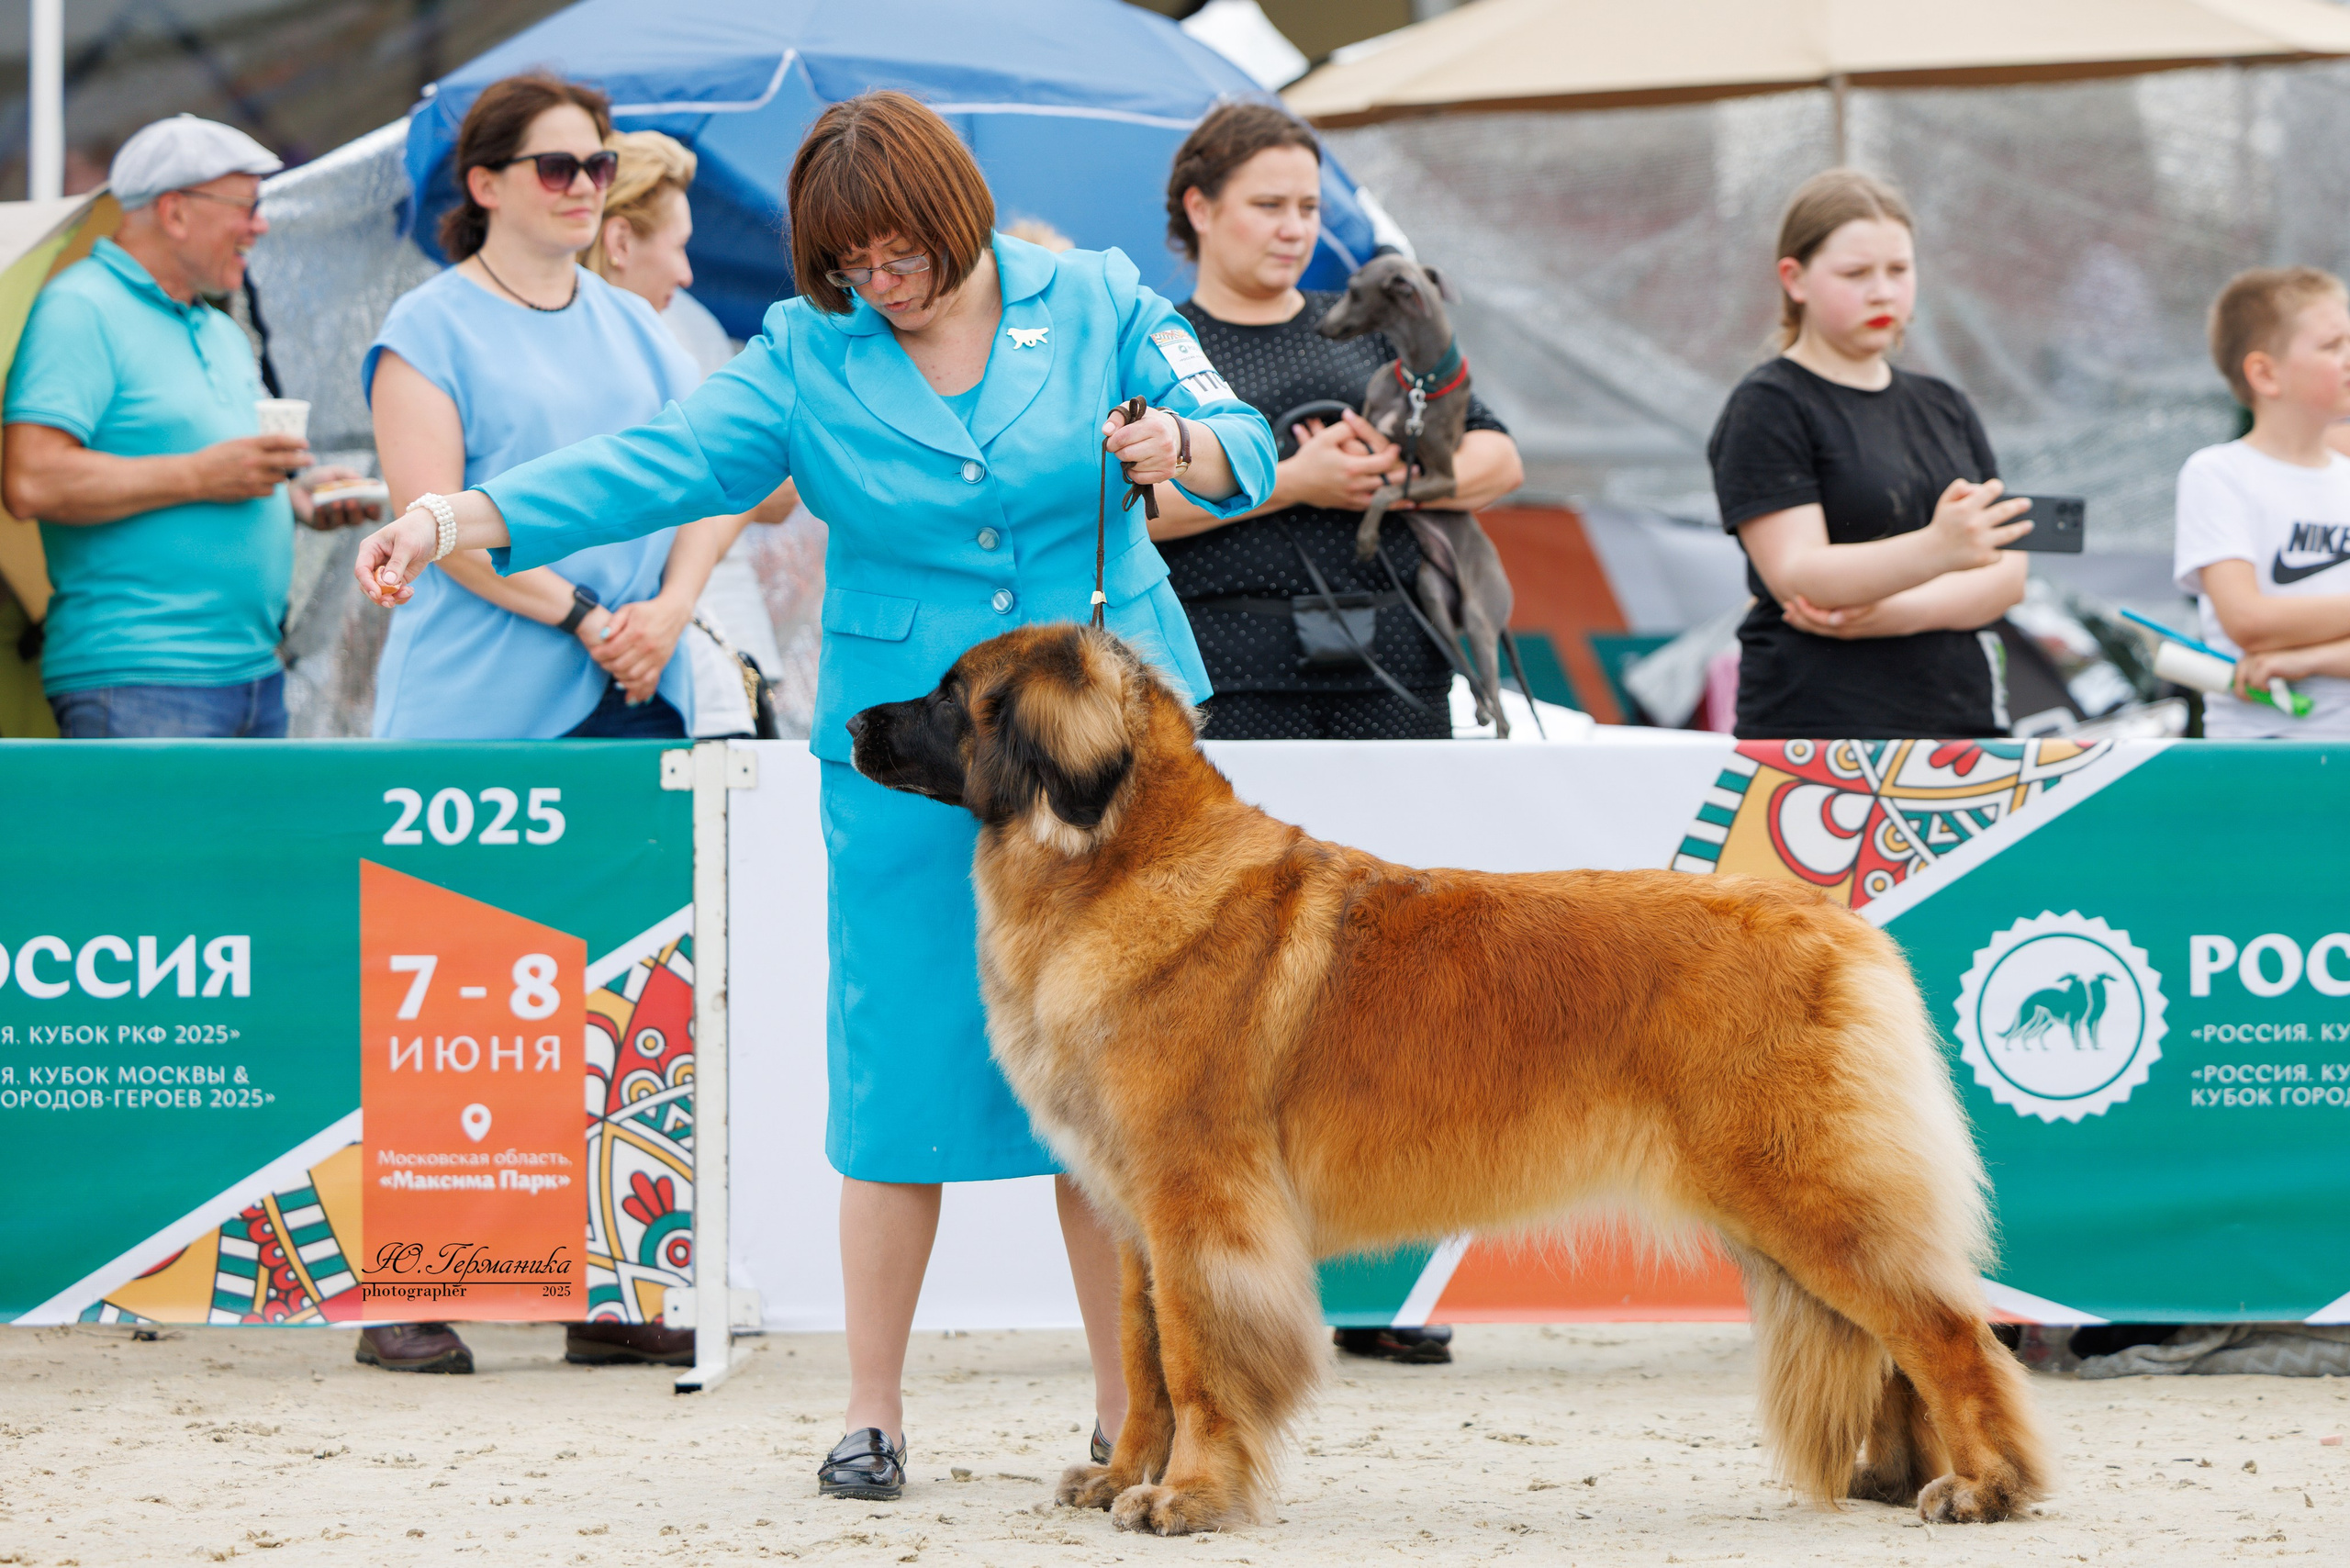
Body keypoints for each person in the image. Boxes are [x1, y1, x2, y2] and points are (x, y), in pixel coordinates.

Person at [348, 91, 1275, 1497]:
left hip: (1105, 758)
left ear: (956, 213)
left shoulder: (1094, 298)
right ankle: (872, 1411)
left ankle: (1125, 1413)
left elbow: (1236, 434)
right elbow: (648, 467)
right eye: (848, 264)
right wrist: (452, 515)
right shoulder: (804, 353)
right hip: (913, 758)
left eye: (899, 252)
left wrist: (1180, 452)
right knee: (893, 1068)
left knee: (1121, 1094)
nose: (877, 284)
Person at [358, 73, 771, 1374]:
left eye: (598, 164)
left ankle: (609, 1280)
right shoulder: (425, 329)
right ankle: (412, 1287)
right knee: (454, 989)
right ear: (483, 185)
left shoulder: (641, 325)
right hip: (485, 697)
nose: (589, 186)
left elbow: (721, 469)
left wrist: (678, 605)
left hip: (634, 682)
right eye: (559, 167)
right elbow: (441, 522)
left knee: (629, 987)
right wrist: (597, 609)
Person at [1151, 102, 1523, 745]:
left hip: (1397, 666)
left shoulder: (1372, 320)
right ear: (1201, 209)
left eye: (1308, 208)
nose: (1295, 229)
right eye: (1269, 206)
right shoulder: (1158, 339)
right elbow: (1126, 507)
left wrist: (1390, 479)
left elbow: (1498, 456)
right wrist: (1293, 480)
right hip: (1228, 675)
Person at [1, 114, 380, 737]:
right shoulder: (80, 308)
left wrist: (302, 497)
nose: (260, 225)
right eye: (246, 207)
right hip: (138, 679)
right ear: (174, 213)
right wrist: (202, 475)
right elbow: (32, 481)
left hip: (253, 674)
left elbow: (229, 469)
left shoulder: (221, 330)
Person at [1707, 169, 2031, 741]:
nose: (1883, 291)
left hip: (1963, 726)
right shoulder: (1769, 404)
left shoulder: (1945, 404)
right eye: (1856, 273)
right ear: (1794, 279)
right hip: (1817, 731)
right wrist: (1937, 549)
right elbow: (1798, 575)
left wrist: (1894, 612)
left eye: (1899, 271)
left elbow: (2007, 576)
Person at [581, 128, 800, 738]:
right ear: (620, 240)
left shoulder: (688, 328)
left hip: (721, 661)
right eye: (678, 248)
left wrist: (675, 598)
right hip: (596, 667)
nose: (684, 272)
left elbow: (773, 483)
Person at [2174, 267, 2350, 734]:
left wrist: (2312, 656)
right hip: (2260, 753)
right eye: (2333, 347)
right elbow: (2248, 620)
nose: (2349, 357)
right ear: (2265, 374)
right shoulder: (2218, 473)